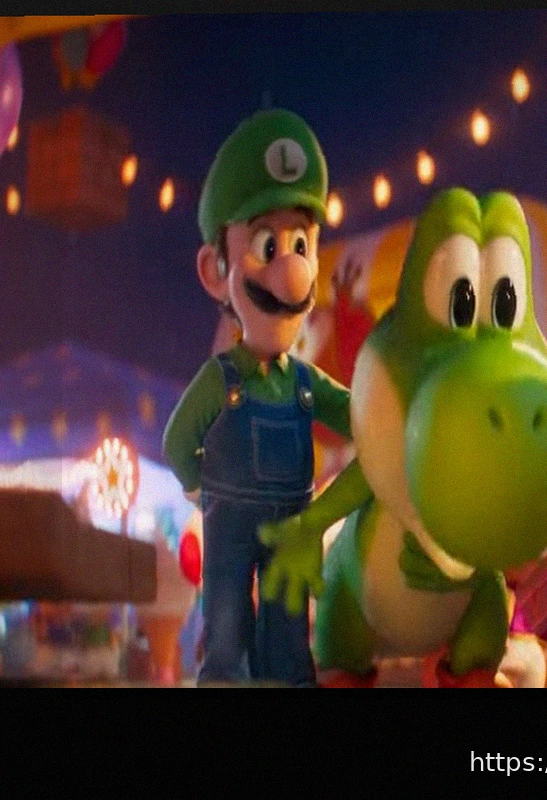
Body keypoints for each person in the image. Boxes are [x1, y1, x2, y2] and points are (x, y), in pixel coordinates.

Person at [162, 108, 351, 686]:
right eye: (268, 244)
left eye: (301, 244)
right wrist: (200, 488)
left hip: (292, 523)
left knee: (288, 625)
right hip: (228, 522)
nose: (291, 270)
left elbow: (363, 416)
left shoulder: (305, 382)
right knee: (225, 621)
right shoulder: (221, 379)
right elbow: (178, 440)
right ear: (215, 270)